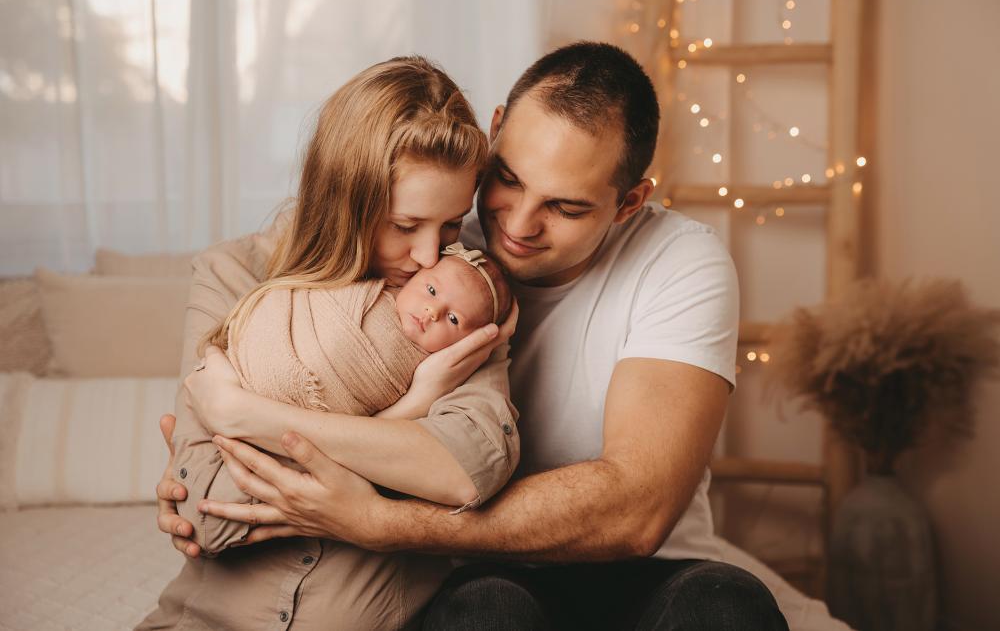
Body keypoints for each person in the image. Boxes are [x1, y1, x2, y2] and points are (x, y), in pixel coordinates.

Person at [157, 42, 790, 630]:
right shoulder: (438, 250)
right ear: (493, 133)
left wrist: (378, 519)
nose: (517, 225)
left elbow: (635, 510)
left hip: (637, 574)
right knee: (489, 607)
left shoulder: (679, 262)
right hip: (477, 579)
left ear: (628, 203)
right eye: (508, 179)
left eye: (565, 208)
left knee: (725, 603)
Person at [140, 56, 520, 630]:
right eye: (403, 224)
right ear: (342, 200)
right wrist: (407, 416)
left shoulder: (458, 300)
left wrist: (242, 414)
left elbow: (465, 470)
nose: (428, 255)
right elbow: (204, 515)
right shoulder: (232, 275)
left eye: (448, 225)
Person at [179, 242, 513, 555]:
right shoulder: (363, 282)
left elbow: (468, 475)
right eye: (431, 290)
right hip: (246, 370)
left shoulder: (442, 368)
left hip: (284, 437)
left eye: (454, 320)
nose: (432, 311)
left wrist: (419, 398)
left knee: (225, 499)